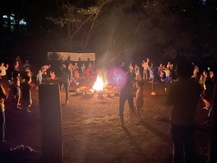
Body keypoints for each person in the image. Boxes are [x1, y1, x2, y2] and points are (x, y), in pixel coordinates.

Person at [167, 58, 202, 163]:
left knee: (177, 149)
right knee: (189, 147)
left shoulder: (174, 85)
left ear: (179, 71)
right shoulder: (197, 85)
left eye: (177, 68)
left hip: (177, 122)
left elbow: (169, 102)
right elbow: (198, 100)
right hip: (190, 121)